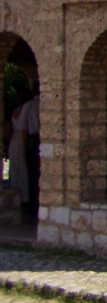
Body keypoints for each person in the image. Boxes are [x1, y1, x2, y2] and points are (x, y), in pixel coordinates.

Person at [12, 86, 40, 216]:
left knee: (34, 174)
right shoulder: (44, 104)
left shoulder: (29, 106)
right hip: (42, 138)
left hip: (34, 140)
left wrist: (25, 146)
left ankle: (34, 204)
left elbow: (23, 127)